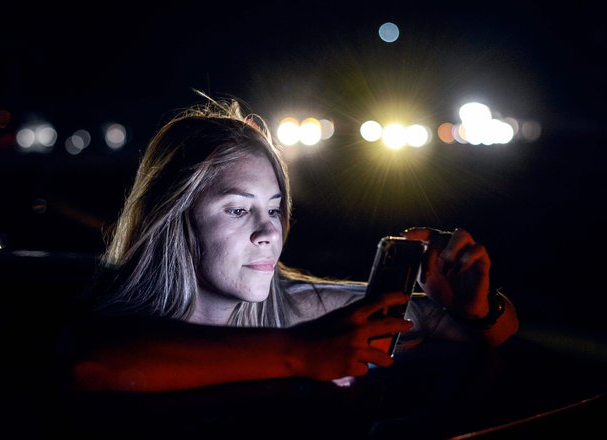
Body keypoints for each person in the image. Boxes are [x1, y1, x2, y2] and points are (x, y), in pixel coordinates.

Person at [57, 92, 519, 393]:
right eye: (239, 209)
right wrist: (301, 352)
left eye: (274, 209)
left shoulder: (304, 309)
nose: (268, 231)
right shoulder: (112, 323)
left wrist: (475, 308)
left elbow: (497, 332)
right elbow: (93, 365)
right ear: (173, 218)